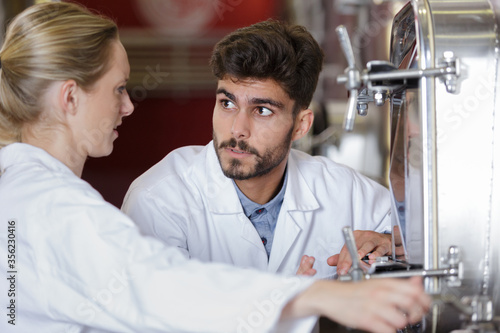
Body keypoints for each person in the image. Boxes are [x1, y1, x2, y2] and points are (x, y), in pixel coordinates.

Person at [0, 3, 429, 333]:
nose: (129, 105)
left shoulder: (26, 192)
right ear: (71, 98)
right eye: (117, 89)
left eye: (262, 110)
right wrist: (311, 296)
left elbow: (432, 243)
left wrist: (396, 245)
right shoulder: (58, 207)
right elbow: (157, 288)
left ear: (301, 125)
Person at [122, 19, 400, 280]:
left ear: (301, 126)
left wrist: (389, 242)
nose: (237, 129)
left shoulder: (343, 190)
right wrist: (284, 305)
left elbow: (423, 233)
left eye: (262, 110)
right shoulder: (159, 199)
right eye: (227, 104)